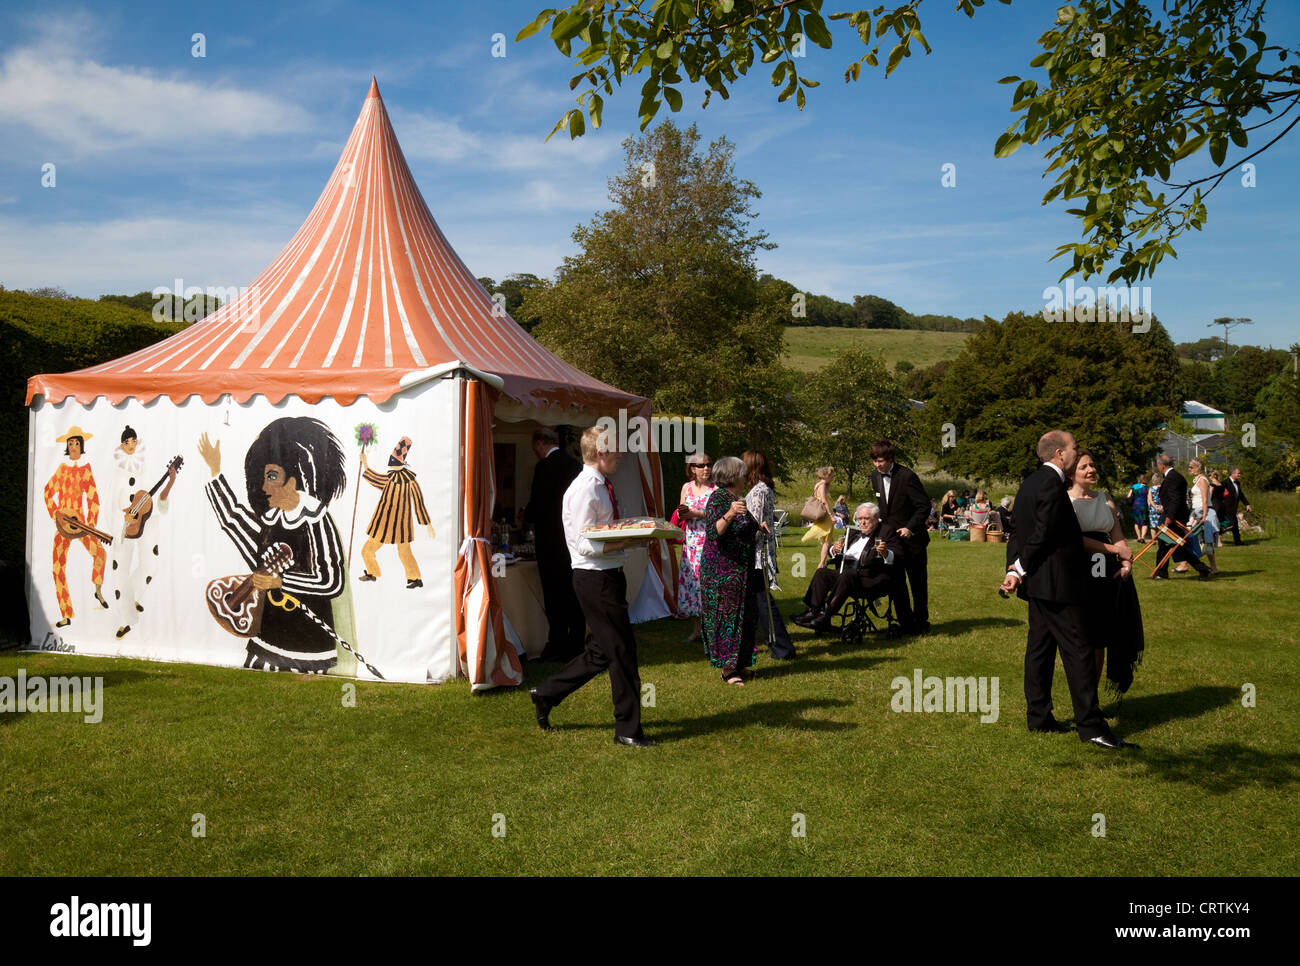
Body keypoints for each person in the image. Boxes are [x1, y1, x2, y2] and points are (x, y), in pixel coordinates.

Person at [998, 430, 1134, 750]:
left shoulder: (1029, 482)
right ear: (1060, 454)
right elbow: (1042, 534)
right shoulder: (1049, 484)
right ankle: (1092, 726)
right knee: (1080, 650)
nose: (1076, 452)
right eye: (1073, 447)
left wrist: (1013, 568)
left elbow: (1017, 533)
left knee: (1040, 650)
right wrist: (1018, 569)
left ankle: (1040, 718)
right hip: (1057, 585)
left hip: (1039, 585)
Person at [529, 425, 653, 747]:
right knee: (622, 652)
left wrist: (628, 534)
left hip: (607, 575)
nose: (621, 455)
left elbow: (601, 532)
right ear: (601, 452)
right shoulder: (585, 488)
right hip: (595, 578)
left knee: (601, 652)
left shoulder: (600, 484)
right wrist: (628, 539)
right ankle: (627, 729)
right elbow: (584, 544)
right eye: (616, 450)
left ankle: (545, 694)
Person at [199, 417, 349, 673]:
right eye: (263, 476)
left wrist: (281, 582)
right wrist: (215, 472)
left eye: (272, 476)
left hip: (308, 646)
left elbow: (332, 581)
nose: (264, 486)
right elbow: (234, 520)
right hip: (265, 640)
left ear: (293, 479)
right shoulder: (271, 522)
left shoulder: (316, 521)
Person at [1067, 452, 1143, 693]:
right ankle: (1083, 696)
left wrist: (1126, 565)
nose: (1091, 470)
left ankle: (1092, 697)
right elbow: (1075, 541)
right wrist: (1113, 550)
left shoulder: (1105, 498)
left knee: (1100, 637)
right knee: (1083, 638)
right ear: (1071, 473)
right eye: (1084, 466)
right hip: (1078, 570)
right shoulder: (1063, 501)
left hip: (1107, 572)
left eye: (1092, 465)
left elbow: (1118, 536)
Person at [792, 503, 907, 634]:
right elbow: (840, 551)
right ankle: (813, 611)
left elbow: (899, 556)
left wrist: (886, 552)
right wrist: (833, 549)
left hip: (870, 577)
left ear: (876, 518)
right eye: (860, 519)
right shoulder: (853, 531)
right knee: (822, 572)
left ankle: (826, 615)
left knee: (848, 574)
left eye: (866, 519)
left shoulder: (886, 531)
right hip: (847, 575)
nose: (862, 522)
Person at [521, 427, 584, 660]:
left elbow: (537, 505)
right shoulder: (575, 465)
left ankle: (557, 642)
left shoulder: (543, 467)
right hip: (571, 539)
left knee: (553, 595)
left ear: (539, 444)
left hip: (550, 541)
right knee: (572, 592)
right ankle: (576, 641)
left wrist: (526, 515)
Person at [109, 426, 178, 640]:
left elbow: (160, 503)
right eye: (127, 442)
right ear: (122, 445)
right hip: (123, 527)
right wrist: (123, 519)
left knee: (150, 565)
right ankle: (125, 619)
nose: (131, 445)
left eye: (134, 441)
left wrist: (170, 483)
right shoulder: (117, 476)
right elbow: (110, 506)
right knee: (120, 571)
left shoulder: (147, 470)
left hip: (148, 523)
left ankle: (132, 598)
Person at [701, 456, 764, 685]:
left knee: (743, 617)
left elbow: (744, 528)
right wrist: (729, 513)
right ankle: (728, 670)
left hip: (739, 569)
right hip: (721, 570)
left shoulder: (734, 497)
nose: (745, 477)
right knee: (727, 617)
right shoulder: (719, 498)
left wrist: (759, 526)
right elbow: (713, 531)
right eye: (742, 473)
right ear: (732, 476)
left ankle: (739, 665)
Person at [43, 425, 109, 628]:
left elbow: (93, 499)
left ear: (82, 446)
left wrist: (90, 523)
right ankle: (66, 612)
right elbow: (47, 491)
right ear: (67, 446)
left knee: (100, 553)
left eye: (76, 443)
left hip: (79, 523)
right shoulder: (62, 471)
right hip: (63, 524)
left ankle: (97, 591)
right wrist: (57, 514)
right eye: (70, 443)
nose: (73, 447)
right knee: (57, 566)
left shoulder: (86, 471)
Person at [358, 436, 435, 589]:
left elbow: (418, 502)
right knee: (368, 549)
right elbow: (374, 478)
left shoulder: (410, 481)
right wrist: (365, 463)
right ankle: (373, 573)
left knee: (404, 552)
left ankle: (415, 578)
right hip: (384, 523)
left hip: (400, 524)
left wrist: (427, 523)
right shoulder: (389, 478)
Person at [870, 440, 930, 634]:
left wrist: (909, 528)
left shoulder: (907, 476)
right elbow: (885, 509)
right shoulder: (874, 476)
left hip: (914, 542)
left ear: (890, 459)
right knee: (896, 583)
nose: (877, 465)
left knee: (917, 585)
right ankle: (905, 623)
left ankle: (921, 623)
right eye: (875, 461)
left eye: (881, 461)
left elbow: (924, 506)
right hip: (892, 542)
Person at [743, 450, 796, 660]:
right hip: (760, 551)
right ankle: (762, 645)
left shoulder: (759, 491)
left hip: (758, 553)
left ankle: (782, 648)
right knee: (757, 601)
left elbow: (755, 524)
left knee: (763, 601)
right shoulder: (762, 489)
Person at [1151, 454, 1212, 581]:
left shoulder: (1173, 478)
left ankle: (1161, 573)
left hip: (1172, 517)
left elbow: (1175, 500)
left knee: (1166, 544)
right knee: (1177, 545)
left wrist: (1169, 517)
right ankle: (1202, 568)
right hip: (1174, 515)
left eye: (1157, 464)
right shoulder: (1175, 476)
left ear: (1162, 465)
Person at [675, 452, 714, 643]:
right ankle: (696, 630)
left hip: (709, 542)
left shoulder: (716, 489)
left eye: (708, 465)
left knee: (707, 585)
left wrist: (695, 513)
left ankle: (711, 630)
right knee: (691, 585)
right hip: (690, 543)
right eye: (701, 465)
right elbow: (681, 511)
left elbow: (717, 515)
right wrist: (683, 513)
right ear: (692, 468)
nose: (706, 468)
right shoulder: (686, 487)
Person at [800, 466, 837, 569]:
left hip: (822, 514)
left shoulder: (818, 484)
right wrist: (831, 515)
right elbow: (824, 501)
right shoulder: (823, 485)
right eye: (831, 475)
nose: (833, 477)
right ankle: (821, 564)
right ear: (826, 475)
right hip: (825, 515)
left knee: (826, 539)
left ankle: (822, 563)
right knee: (827, 540)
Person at [1188, 457, 1218, 575]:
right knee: (1199, 539)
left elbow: (1205, 499)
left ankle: (1212, 567)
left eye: (1191, 467)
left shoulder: (1202, 480)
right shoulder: (1198, 479)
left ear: (1197, 468)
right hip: (1196, 511)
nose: (1189, 469)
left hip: (1202, 511)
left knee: (1204, 540)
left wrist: (1205, 515)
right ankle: (1207, 566)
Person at [1222, 466, 1253, 545]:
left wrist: (1247, 504)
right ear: (1233, 473)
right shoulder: (1224, 483)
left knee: (1234, 524)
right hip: (1225, 508)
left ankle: (1238, 541)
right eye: (1238, 473)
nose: (1240, 475)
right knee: (1230, 524)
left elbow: (1240, 495)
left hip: (1233, 508)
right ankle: (1216, 537)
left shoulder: (1238, 483)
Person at [1125, 474, 1150, 542]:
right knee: (1144, 523)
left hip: (1135, 506)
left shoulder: (1134, 486)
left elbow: (1128, 496)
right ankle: (1142, 537)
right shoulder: (1147, 488)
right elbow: (1149, 499)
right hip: (1143, 506)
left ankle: (1138, 537)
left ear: (1140, 480)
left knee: (1136, 522)